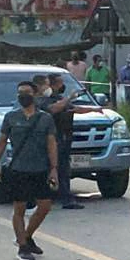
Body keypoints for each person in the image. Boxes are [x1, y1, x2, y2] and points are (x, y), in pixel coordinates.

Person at [0, 80, 59, 260]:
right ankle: (22, 246)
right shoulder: (11, 117)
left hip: (40, 169)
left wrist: (54, 169)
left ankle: (27, 236)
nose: (23, 96)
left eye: (27, 92)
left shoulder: (45, 119)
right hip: (18, 169)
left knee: (45, 206)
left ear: (35, 95)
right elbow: (2, 142)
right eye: (20, 93)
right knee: (19, 208)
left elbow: (51, 144)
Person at [45, 72, 83, 210]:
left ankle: (64, 197)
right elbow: (54, 109)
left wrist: (96, 109)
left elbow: (72, 109)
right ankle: (58, 197)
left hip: (65, 137)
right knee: (55, 168)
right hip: (54, 139)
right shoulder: (45, 100)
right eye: (60, 83)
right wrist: (69, 97)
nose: (63, 86)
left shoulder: (60, 98)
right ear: (52, 84)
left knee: (64, 169)